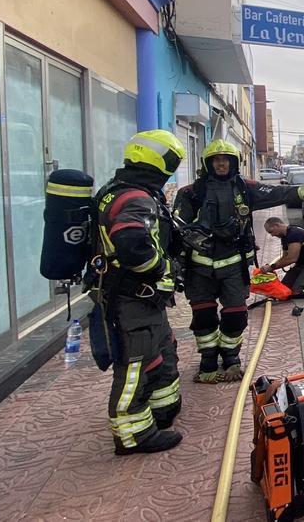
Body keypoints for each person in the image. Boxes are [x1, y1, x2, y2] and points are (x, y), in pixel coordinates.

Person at [174, 139, 304, 383]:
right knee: (203, 316)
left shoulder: (245, 189)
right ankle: (207, 361)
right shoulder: (190, 193)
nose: (222, 163)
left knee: (236, 314)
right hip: (199, 268)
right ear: (207, 163)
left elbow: (280, 193)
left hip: (233, 265)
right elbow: (176, 232)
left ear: (234, 162)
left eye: (226, 159)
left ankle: (231, 358)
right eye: (216, 159)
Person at [94, 129, 186, 454]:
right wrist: (163, 269)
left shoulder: (121, 190)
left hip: (144, 300)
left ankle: (161, 411)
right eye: (171, 162)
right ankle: (133, 436)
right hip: (132, 299)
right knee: (135, 364)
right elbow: (133, 246)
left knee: (162, 350)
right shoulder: (136, 197)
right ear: (159, 161)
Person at [260, 216, 304, 300]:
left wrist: (271, 267)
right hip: (302, 265)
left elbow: (292, 258)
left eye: (271, 231)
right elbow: (285, 257)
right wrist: (270, 268)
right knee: (283, 289)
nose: (272, 235)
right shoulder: (285, 236)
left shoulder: (294, 234)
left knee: (297, 292)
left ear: (277, 225)